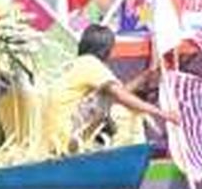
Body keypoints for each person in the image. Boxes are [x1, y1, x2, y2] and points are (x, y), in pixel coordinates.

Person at [45, 24, 178, 154]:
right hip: (64, 136)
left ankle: (88, 146)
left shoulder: (77, 63)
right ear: (106, 50)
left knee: (108, 98)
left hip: (53, 135)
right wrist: (163, 114)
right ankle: (120, 152)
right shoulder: (91, 63)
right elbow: (122, 97)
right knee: (127, 110)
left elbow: (117, 93)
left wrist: (147, 73)